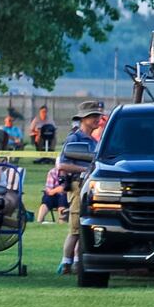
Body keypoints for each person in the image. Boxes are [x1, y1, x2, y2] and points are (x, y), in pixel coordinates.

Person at [56, 101, 104, 273]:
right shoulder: (74, 139)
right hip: (77, 186)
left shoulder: (93, 141)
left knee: (84, 229)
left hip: (88, 187)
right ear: (83, 118)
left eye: (98, 115)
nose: (97, 119)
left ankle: (77, 262)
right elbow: (62, 165)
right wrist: (86, 169)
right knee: (75, 228)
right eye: (93, 116)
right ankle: (65, 263)